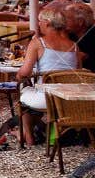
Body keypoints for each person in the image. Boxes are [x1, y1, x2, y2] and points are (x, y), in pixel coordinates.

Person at [15, 10, 82, 146]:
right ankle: (33, 132)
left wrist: (19, 76)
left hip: (45, 99)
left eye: (40, 21)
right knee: (30, 92)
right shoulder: (74, 46)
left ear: (47, 23)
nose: (39, 24)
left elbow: (25, 72)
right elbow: (78, 72)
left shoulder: (38, 43)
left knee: (24, 92)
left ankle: (28, 136)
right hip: (67, 99)